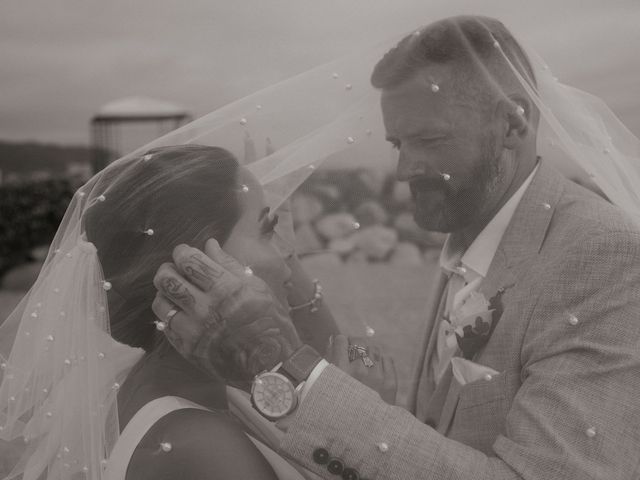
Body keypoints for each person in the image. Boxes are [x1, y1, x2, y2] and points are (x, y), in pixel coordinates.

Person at [152, 16, 640, 479]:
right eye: (397, 143)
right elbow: (439, 435)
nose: (404, 170)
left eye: (429, 139)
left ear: (513, 123)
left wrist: (284, 371)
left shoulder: (602, 255)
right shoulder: (473, 227)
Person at [0, 144, 347, 480]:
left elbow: (346, 358)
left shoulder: (190, 378)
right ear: (193, 267)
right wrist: (365, 425)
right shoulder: (206, 450)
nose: (286, 259)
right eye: (267, 230)